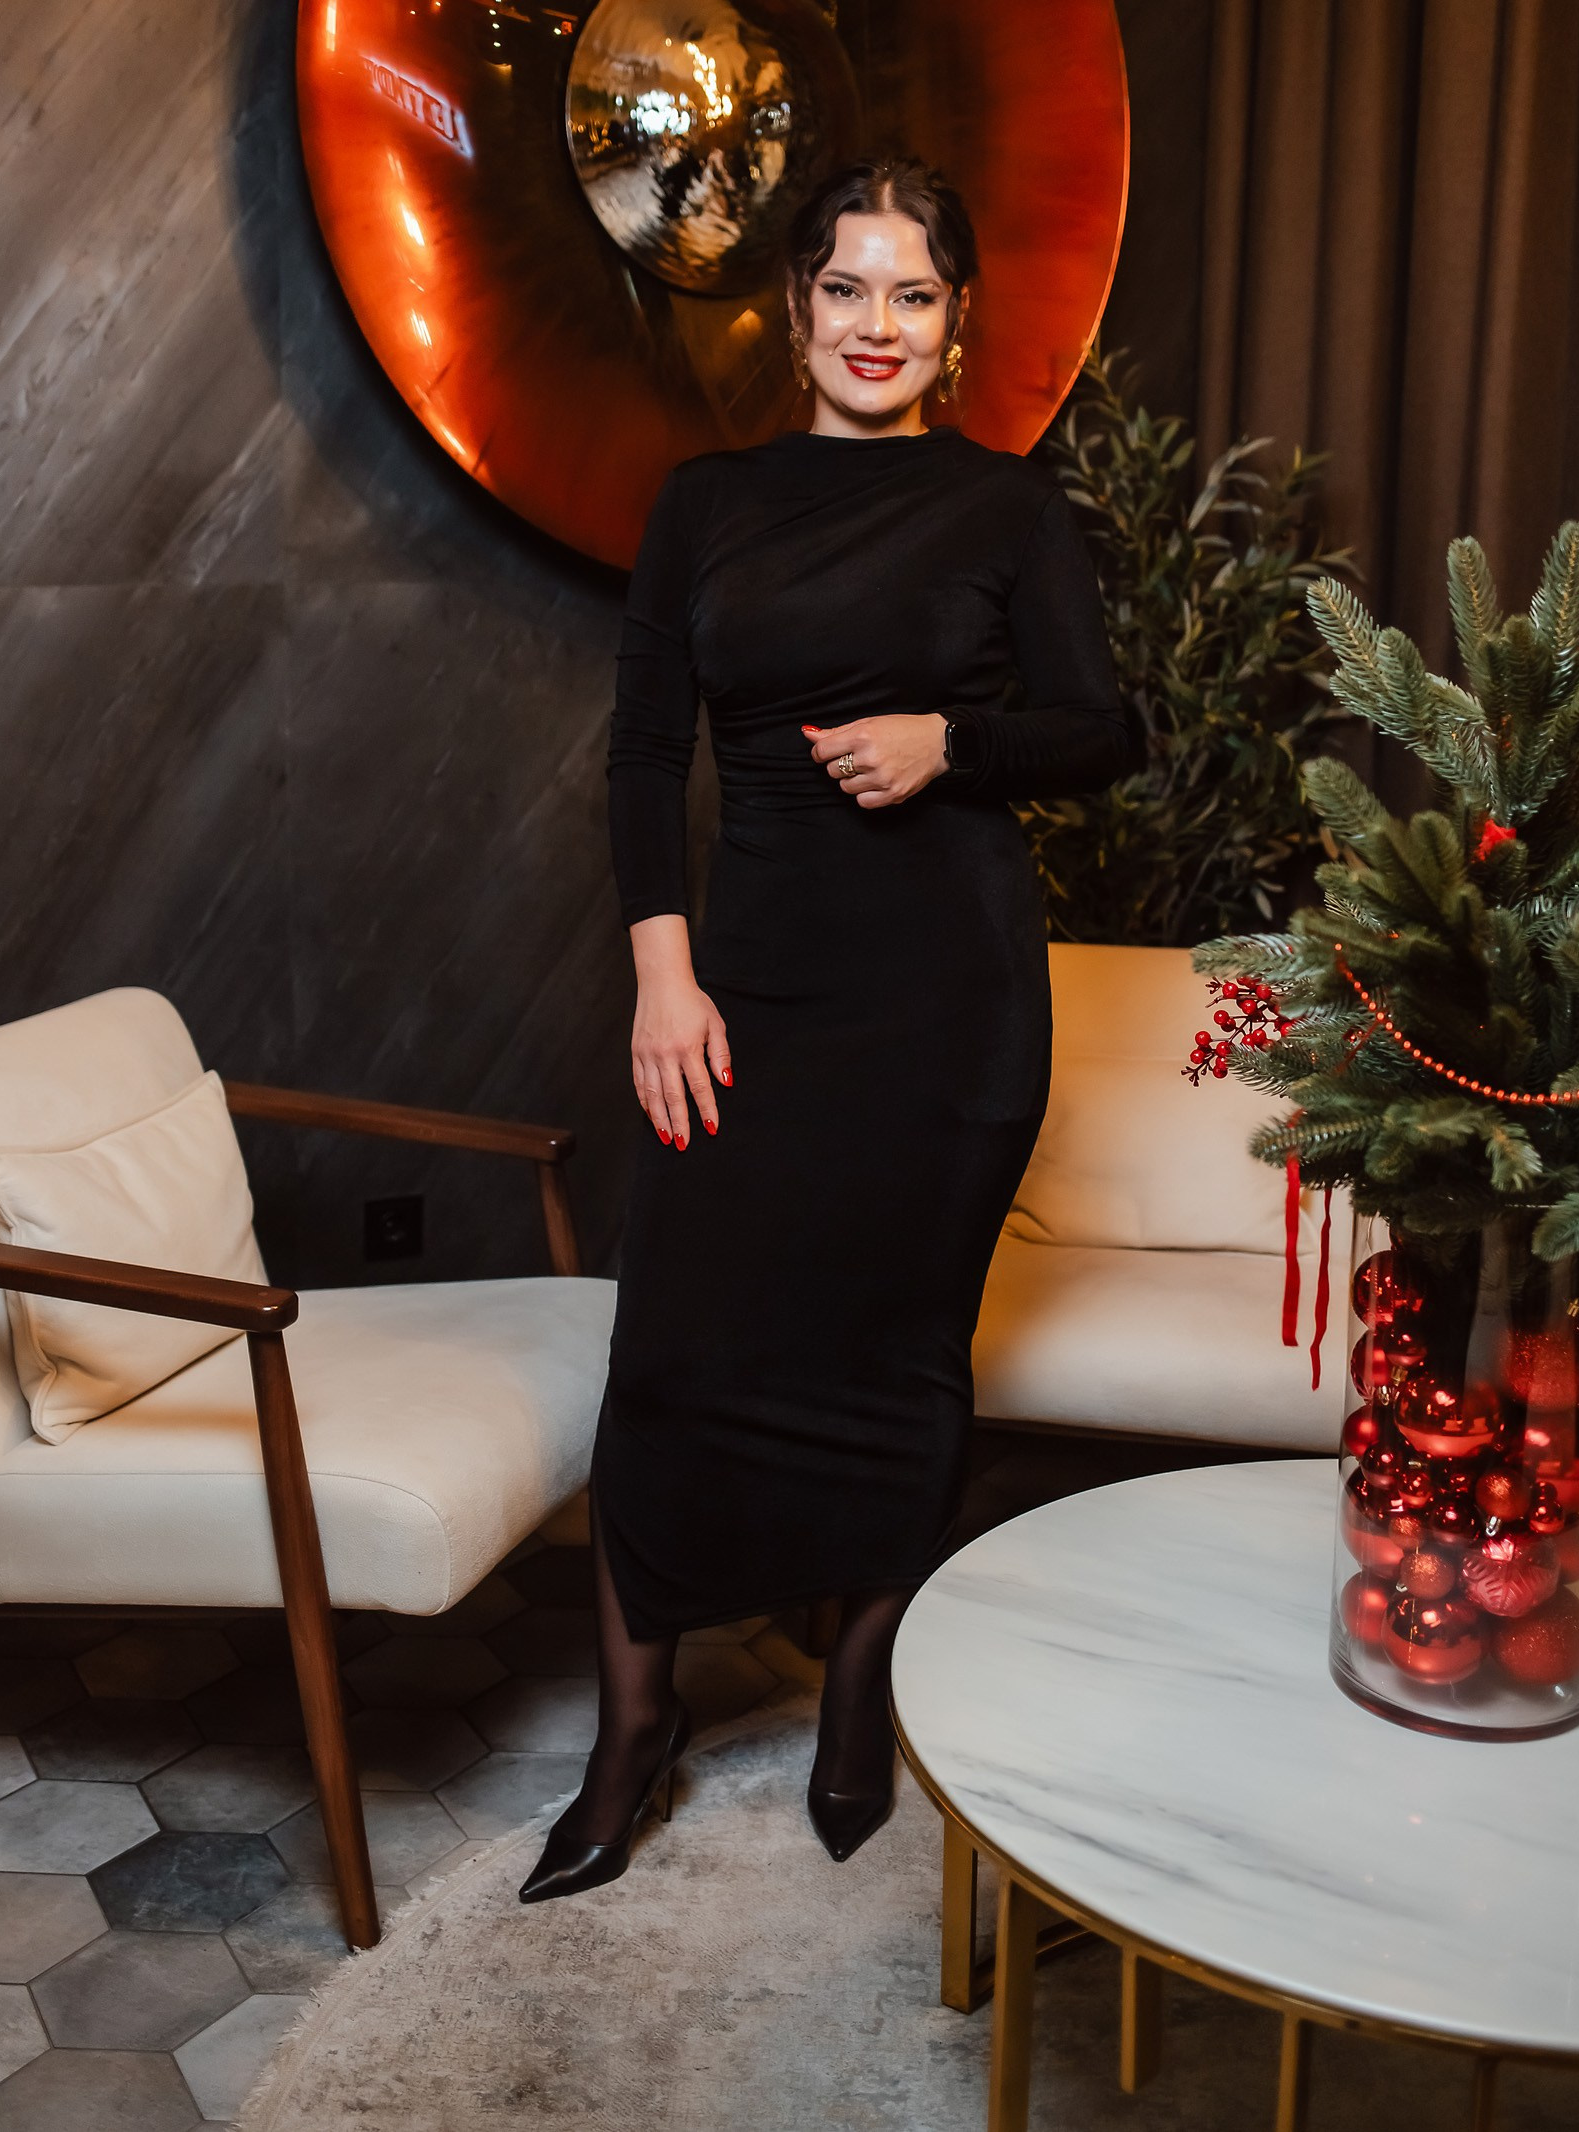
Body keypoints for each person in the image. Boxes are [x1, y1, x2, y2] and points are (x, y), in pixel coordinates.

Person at [520, 156, 1134, 1903]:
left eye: (912, 295)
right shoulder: (706, 504)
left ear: (955, 324)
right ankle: (633, 1729)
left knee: (896, 1352)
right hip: (751, 989)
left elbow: (1105, 731)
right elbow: (647, 752)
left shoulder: (1005, 508)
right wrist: (663, 972)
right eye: (847, 289)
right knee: (675, 1350)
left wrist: (953, 740)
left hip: (947, 1002)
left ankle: (858, 1681)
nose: (878, 325)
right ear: (795, 314)